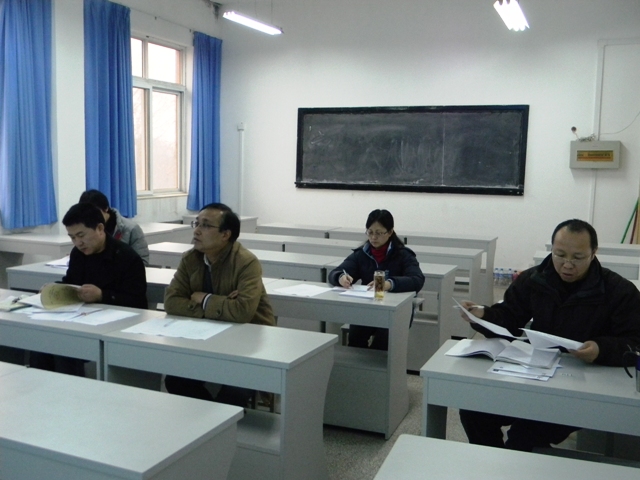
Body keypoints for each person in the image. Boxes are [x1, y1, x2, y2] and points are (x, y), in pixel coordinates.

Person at [458, 219, 640, 452]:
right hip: (537, 374)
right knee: (474, 410)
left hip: (585, 388)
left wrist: (600, 349)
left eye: (577, 258)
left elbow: (635, 340)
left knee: (524, 436)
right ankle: (493, 465)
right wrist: (482, 314)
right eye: (559, 255)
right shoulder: (535, 279)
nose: (567, 265)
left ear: (593, 253)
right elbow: (510, 318)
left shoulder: (617, 290)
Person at [163, 203, 275, 407]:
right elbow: (171, 302)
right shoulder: (191, 259)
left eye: (205, 225)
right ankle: (211, 420)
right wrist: (220, 306)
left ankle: (220, 421)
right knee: (175, 380)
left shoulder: (246, 262)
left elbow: (242, 312)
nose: (197, 231)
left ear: (225, 235)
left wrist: (204, 299)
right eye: (196, 223)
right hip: (204, 339)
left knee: (234, 393)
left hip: (247, 344)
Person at [30, 202, 148, 376]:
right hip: (82, 318)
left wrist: (102, 295)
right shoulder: (78, 254)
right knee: (42, 340)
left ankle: (70, 389)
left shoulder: (126, 257)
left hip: (117, 323)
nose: (78, 242)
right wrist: (55, 288)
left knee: (64, 346)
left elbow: (138, 302)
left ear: (100, 228)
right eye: (72, 237)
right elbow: (71, 282)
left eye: (81, 235)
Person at [327, 209, 425, 350]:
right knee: (355, 339)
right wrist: (341, 277)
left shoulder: (403, 255)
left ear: (390, 232)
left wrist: (389, 284)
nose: (373, 237)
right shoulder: (362, 254)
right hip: (367, 308)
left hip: (396, 311)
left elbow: (417, 279)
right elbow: (335, 272)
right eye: (370, 232)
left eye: (379, 233)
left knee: (383, 344)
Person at [79, 189, 149, 265]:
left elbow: (142, 262)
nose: (91, 218)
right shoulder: (85, 230)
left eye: (95, 213)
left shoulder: (131, 229)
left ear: (106, 208)